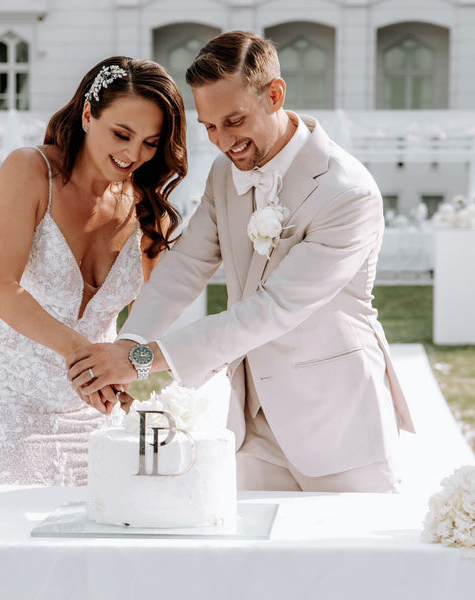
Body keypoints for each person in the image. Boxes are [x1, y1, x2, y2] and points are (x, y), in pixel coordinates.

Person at [67, 31, 415, 493]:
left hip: (338, 422)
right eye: (209, 126)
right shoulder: (226, 172)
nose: (223, 141)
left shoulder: (346, 192)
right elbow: (186, 265)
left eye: (234, 120)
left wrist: (140, 360)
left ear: (274, 94)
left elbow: (271, 310)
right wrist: (131, 339)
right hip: (251, 423)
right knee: (251, 562)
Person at [0, 56, 187, 485]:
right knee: (17, 531)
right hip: (10, 398)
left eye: (150, 143)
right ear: (88, 114)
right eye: (122, 134)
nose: (132, 154)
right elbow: (0, 289)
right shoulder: (31, 170)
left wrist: (130, 367)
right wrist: (83, 357)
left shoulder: (148, 213)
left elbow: (150, 327)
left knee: (99, 537)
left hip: (95, 409)